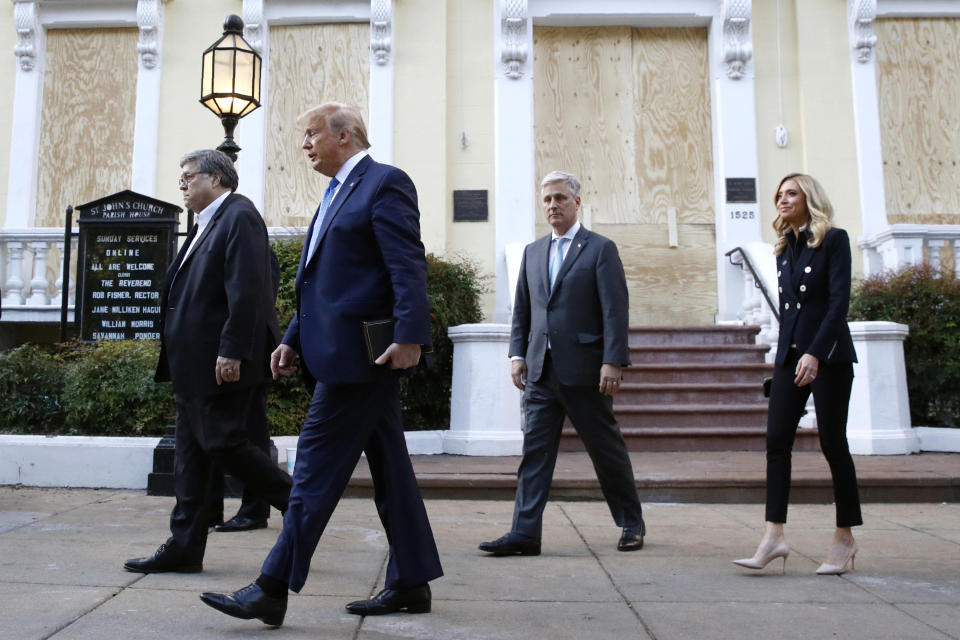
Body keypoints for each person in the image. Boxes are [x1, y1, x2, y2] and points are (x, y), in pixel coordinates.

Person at [199, 102, 442, 627]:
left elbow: (406, 267)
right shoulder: (335, 192)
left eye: (312, 135)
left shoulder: (385, 183)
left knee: (310, 472)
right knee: (392, 472)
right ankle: (411, 582)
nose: (305, 144)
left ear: (347, 135)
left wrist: (410, 337)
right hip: (335, 351)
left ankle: (271, 587)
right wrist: (292, 338)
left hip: (361, 360)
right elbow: (319, 282)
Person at [124, 149, 292, 574]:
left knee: (222, 443)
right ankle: (184, 546)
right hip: (193, 362)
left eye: (188, 177)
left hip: (220, 360)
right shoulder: (204, 223)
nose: (182, 184)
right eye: (180, 178)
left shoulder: (239, 215)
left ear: (216, 179)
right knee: (192, 456)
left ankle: (302, 503)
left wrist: (232, 348)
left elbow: (249, 287)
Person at [479, 170, 645, 557]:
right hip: (540, 372)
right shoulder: (533, 252)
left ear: (577, 202)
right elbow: (524, 310)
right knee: (534, 455)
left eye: (560, 199)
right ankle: (524, 533)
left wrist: (613, 361)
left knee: (606, 452)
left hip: (586, 371)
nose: (553, 206)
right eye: (547, 200)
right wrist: (517, 354)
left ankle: (631, 524)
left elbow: (614, 310)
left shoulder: (600, 249)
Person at [733, 173, 861, 575]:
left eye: (791, 194)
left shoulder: (833, 240)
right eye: (779, 195)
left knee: (832, 443)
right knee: (776, 442)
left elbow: (838, 304)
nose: (782, 200)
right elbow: (788, 309)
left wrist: (816, 353)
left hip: (829, 357)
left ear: (809, 198)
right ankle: (774, 536)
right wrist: (783, 359)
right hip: (790, 357)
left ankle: (845, 538)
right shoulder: (784, 247)